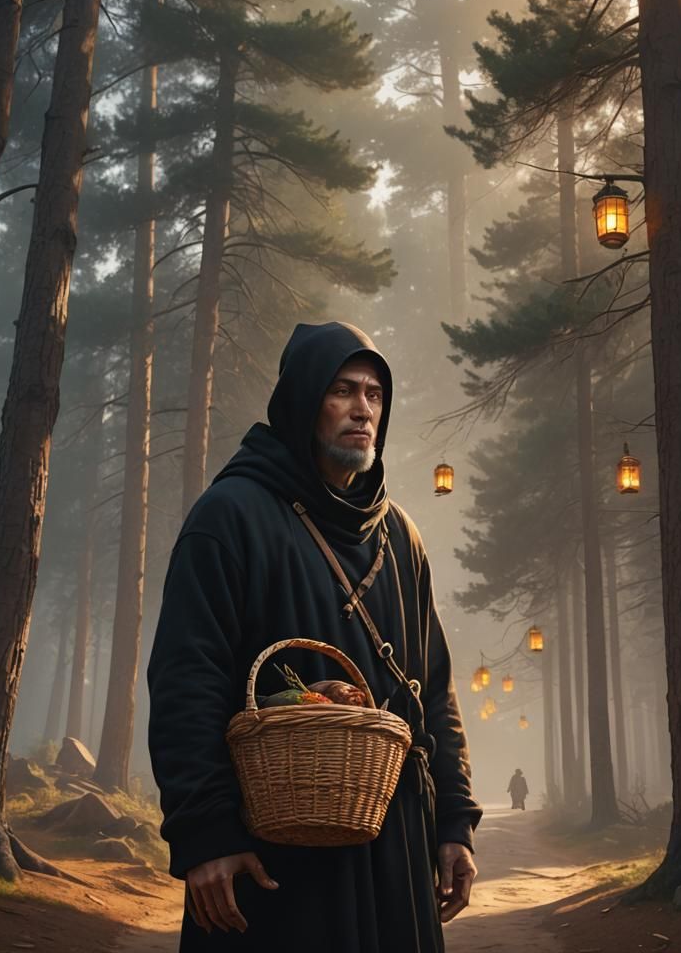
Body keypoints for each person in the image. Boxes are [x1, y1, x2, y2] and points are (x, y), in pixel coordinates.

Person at [147, 322, 482, 952]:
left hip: (395, 844)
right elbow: (186, 682)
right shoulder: (230, 517)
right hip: (273, 853)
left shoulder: (401, 537)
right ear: (304, 400)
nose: (363, 409)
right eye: (343, 391)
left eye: (375, 395)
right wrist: (207, 833)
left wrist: (455, 822)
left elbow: (433, 691)